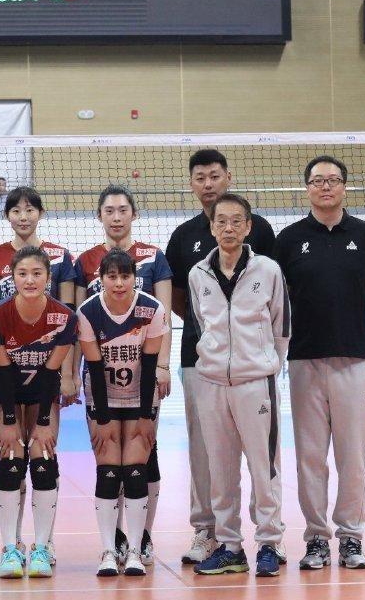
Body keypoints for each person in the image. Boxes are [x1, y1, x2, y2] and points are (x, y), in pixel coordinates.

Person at [274, 155, 365, 571]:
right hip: (304, 360)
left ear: (344, 187)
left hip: (353, 359)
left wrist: (354, 328)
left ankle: (351, 537)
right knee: (310, 456)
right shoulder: (289, 239)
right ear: (307, 188)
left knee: (352, 455)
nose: (326, 186)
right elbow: (278, 297)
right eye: (318, 180)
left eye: (333, 180)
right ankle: (316, 539)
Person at [164, 149, 277, 566]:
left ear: (228, 177)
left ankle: (269, 540)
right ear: (191, 184)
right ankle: (208, 533)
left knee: (263, 456)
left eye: (214, 175)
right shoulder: (183, 237)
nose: (208, 183)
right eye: (200, 177)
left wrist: (261, 353)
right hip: (202, 363)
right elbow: (179, 299)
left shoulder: (260, 231)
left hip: (252, 369)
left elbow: (277, 307)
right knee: (206, 453)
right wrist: (213, 333)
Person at [186, 193, 288, 577]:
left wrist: (264, 365)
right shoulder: (198, 274)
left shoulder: (269, 270)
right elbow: (201, 324)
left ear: (248, 227)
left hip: (255, 383)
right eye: (221, 221)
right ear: (212, 227)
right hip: (212, 383)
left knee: (264, 467)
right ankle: (230, 546)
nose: (228, 228)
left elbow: (281, 327)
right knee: (221, 469)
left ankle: (269, 543)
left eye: (236, 221)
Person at [0, 186, 76, 558]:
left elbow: (51, 373)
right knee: (11, 459)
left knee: (43, 458)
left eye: (37, 273)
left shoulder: (62, 315)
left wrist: (47, 418)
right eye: (22, 273)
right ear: (12, 276)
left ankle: (43, 544)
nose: (30, 280)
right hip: (5, 383)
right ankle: (10, 545)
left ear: (48, 277)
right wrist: (4, 416)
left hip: (42, 384)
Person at [74, 185, 172, 567]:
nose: (116, 216)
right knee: (109, 466)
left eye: (123, 209)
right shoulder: (86, 273)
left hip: (144, 377)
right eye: (109, 210)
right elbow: (83, 335)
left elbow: (164, 318)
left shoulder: (153, 260)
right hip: (103, 383)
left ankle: (140, 538)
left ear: (134, 213)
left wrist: (162, 368)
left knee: (143, 460)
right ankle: (112, 542)